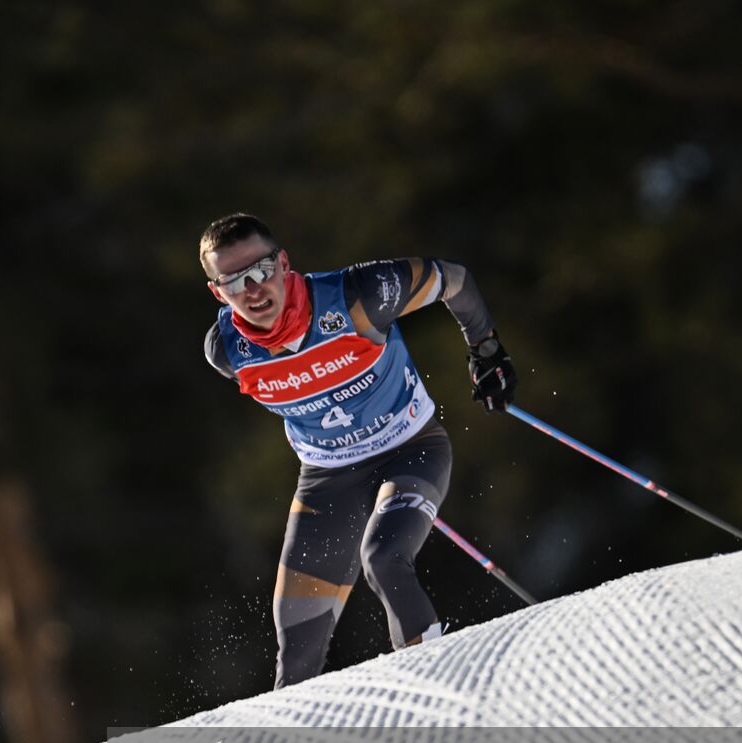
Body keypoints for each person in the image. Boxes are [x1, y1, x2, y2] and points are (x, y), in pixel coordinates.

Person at [200, 213, 517, 688]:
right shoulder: (225, 351)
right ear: (217, 292)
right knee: (295, 653)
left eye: (262, 270)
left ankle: (447, 700)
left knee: (384, 557)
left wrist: (486, 349)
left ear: (284, 263)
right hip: (328, 478)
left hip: (410, 448)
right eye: (235, 281)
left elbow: (455, 280)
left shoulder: (360, 297)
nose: (254, 289)